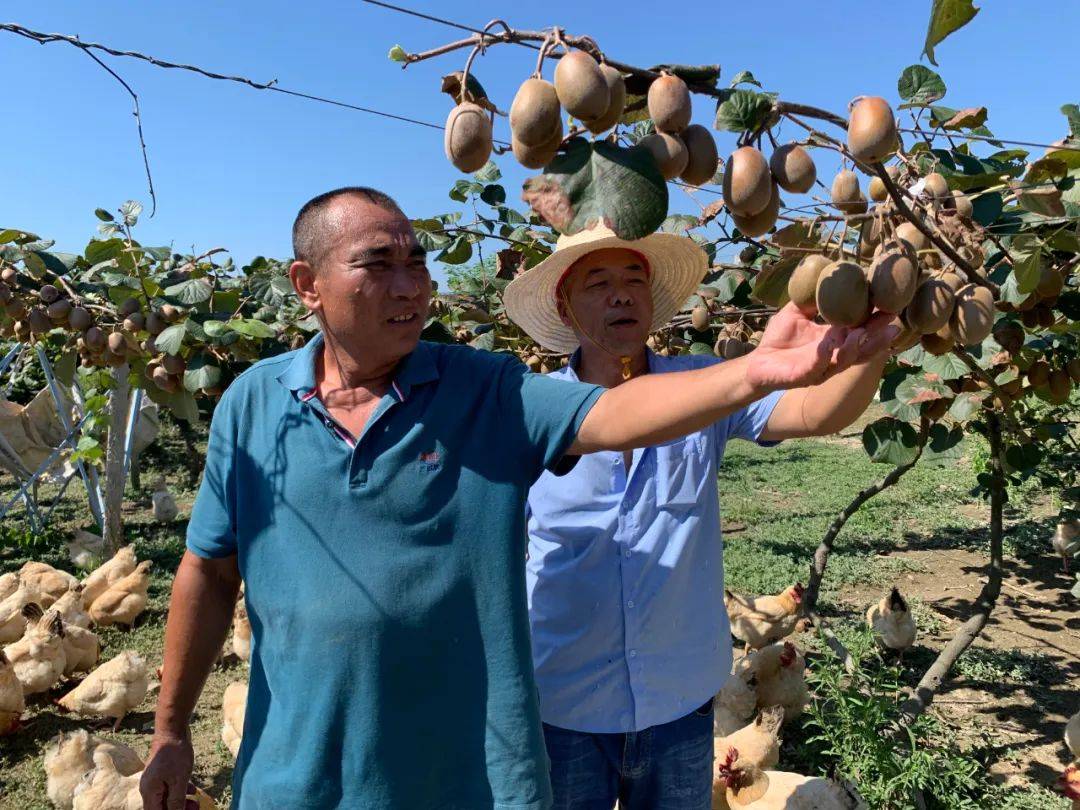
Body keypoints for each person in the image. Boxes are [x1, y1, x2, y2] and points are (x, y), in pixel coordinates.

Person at [140, 188, 893, 810]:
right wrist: (170, 729)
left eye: (417, 263)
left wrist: (812, 358)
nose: (410, 285)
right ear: (307, 285)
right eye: (379, 264)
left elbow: (773, 413)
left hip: (628, 713)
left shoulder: (501, 393)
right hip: (527, 712)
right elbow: (208, 569)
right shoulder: (260, 403)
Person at [502, 224, 896, 810]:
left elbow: (817, 411)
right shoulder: (531, 412)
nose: (621, 295)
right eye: (600, 282)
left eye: (634, 280)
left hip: (680, 704)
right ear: (565, 304)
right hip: (563, 707)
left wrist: (876, 338)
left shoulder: (706, 383)